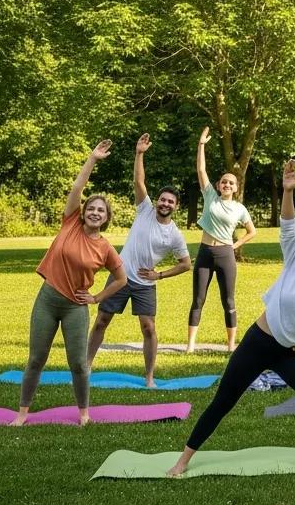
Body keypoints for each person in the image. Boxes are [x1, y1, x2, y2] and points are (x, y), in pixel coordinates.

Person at [167, 159, 295, 476]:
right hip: (257, 342)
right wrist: (287, 191)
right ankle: (183, 460)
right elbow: (288, 225)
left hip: (291, 354)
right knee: (223, 402)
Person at [13, 140, 127, 426]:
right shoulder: (70, 223)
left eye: (101, 211)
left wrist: (97, 298)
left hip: (76, 306)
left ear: (106, 219)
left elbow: (122, 279)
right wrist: (92, 159)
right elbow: (77, 189)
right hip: (48, 300)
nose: (95, 212)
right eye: (92, 208)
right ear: (84, 211)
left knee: (78, 363)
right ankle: (23, 413)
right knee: (36, 359)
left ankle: (84, 414)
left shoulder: (105, 248)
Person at [87, 134, 192, 386]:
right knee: (101, 320)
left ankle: (149, 377)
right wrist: (139, 153)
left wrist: (160, 275)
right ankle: (86, 366)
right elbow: (139, 180)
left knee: (148, 328)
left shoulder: (175, 234)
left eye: (170, 201)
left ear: (175, 206)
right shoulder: (145, 209)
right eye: (163, 199)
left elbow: (186, 263)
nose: (165, 203)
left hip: (146, 283)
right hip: (121, 275)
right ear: (157, 201)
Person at [186, 127, 257, 353]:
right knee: (198, 300)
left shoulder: (239, 208)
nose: (226, 185)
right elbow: (201, 169)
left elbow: (251, 231)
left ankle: (230, 346)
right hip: (205, 253)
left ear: (236, 189)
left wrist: (235, 246)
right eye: (224, 182)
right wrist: (201, 144)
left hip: (225, 255)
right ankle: (190, 345)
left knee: (228, 301)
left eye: (231, 183)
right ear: (218, 186)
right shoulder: (210, 197)